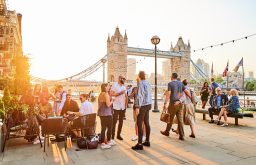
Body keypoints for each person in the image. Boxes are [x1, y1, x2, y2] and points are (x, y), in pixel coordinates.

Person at [160, 72, 191, 141]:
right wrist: (181, 100)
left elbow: (168, 94)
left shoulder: (170, 84)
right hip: (180, 104)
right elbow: (186, 92)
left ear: (172, 77)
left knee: (170, 118)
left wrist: (165, 103)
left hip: (173, 104)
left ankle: (167, 132)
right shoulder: (181, 83)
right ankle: (182, 135)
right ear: (176, 77)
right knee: (180, 120)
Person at [132, 71, 152, 150]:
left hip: (143, 106)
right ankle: (147, 141)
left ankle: (140, 144)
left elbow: (140, 96)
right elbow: (149, 94)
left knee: (139, 123)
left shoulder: (140, 83)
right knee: (147, 122)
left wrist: (137, 107)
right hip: (148, 104)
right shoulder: (148, 83)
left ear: (139, 76)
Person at [98, 83, 116, 149]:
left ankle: (103, 143)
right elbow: (108, 105)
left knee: (103, 128)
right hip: (107, 114)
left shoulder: (100, 94)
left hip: (101, 114)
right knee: (109, 128)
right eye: (108, 86)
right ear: (105, 87)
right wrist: (113, 100)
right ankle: (108, 141)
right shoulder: (106, 94)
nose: (109, 87)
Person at [110, 75, 128, 140]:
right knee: (114, 122)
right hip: (116, 106)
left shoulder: (124, 87)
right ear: (119, 79)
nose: (124, 80)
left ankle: (118, 135)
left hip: (122, 107)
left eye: (124, 79)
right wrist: (120, 93)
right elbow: (111, 94)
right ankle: (112, 136)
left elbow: (126, 96)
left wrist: (126, 105)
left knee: (121, 122)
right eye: (123, 79)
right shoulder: (114, 85)